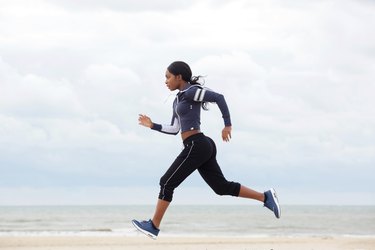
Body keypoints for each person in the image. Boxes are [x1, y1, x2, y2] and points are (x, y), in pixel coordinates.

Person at [132, 61, 280, 239]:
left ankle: (154, 226)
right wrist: (152, 125)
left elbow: (219, 97)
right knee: (221, 187)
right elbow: (174, 129)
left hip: (197, 144)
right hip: (198, 145)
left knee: (166, 182)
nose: (165, 81)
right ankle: (265, 197)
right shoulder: (178, 99)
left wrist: (227, 125)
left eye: (168, 77)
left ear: (179, 77)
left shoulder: (191, 92)